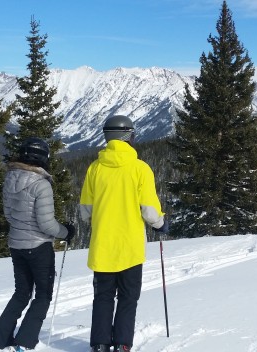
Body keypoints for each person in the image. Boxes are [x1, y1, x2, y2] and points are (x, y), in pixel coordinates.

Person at [79, 115, 169, 352]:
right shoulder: (140, 168)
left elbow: (85, 212)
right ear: (129, 136)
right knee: (128, 299)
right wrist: (160, 225)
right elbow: (149, 211)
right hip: (130, 248)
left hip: (103, 247)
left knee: (103, 298)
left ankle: (99, 344)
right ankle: (122, 344)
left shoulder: (95, 168)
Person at [0, 137, 75, 352]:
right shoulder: (41, 184)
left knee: (22, 292)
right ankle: (25, 342)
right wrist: (66, 232)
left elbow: (9, 215)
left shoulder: (10, 178)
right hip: (38, 247)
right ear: (43, 158)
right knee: (43, 294)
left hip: (16, 245)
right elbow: (46, 224)